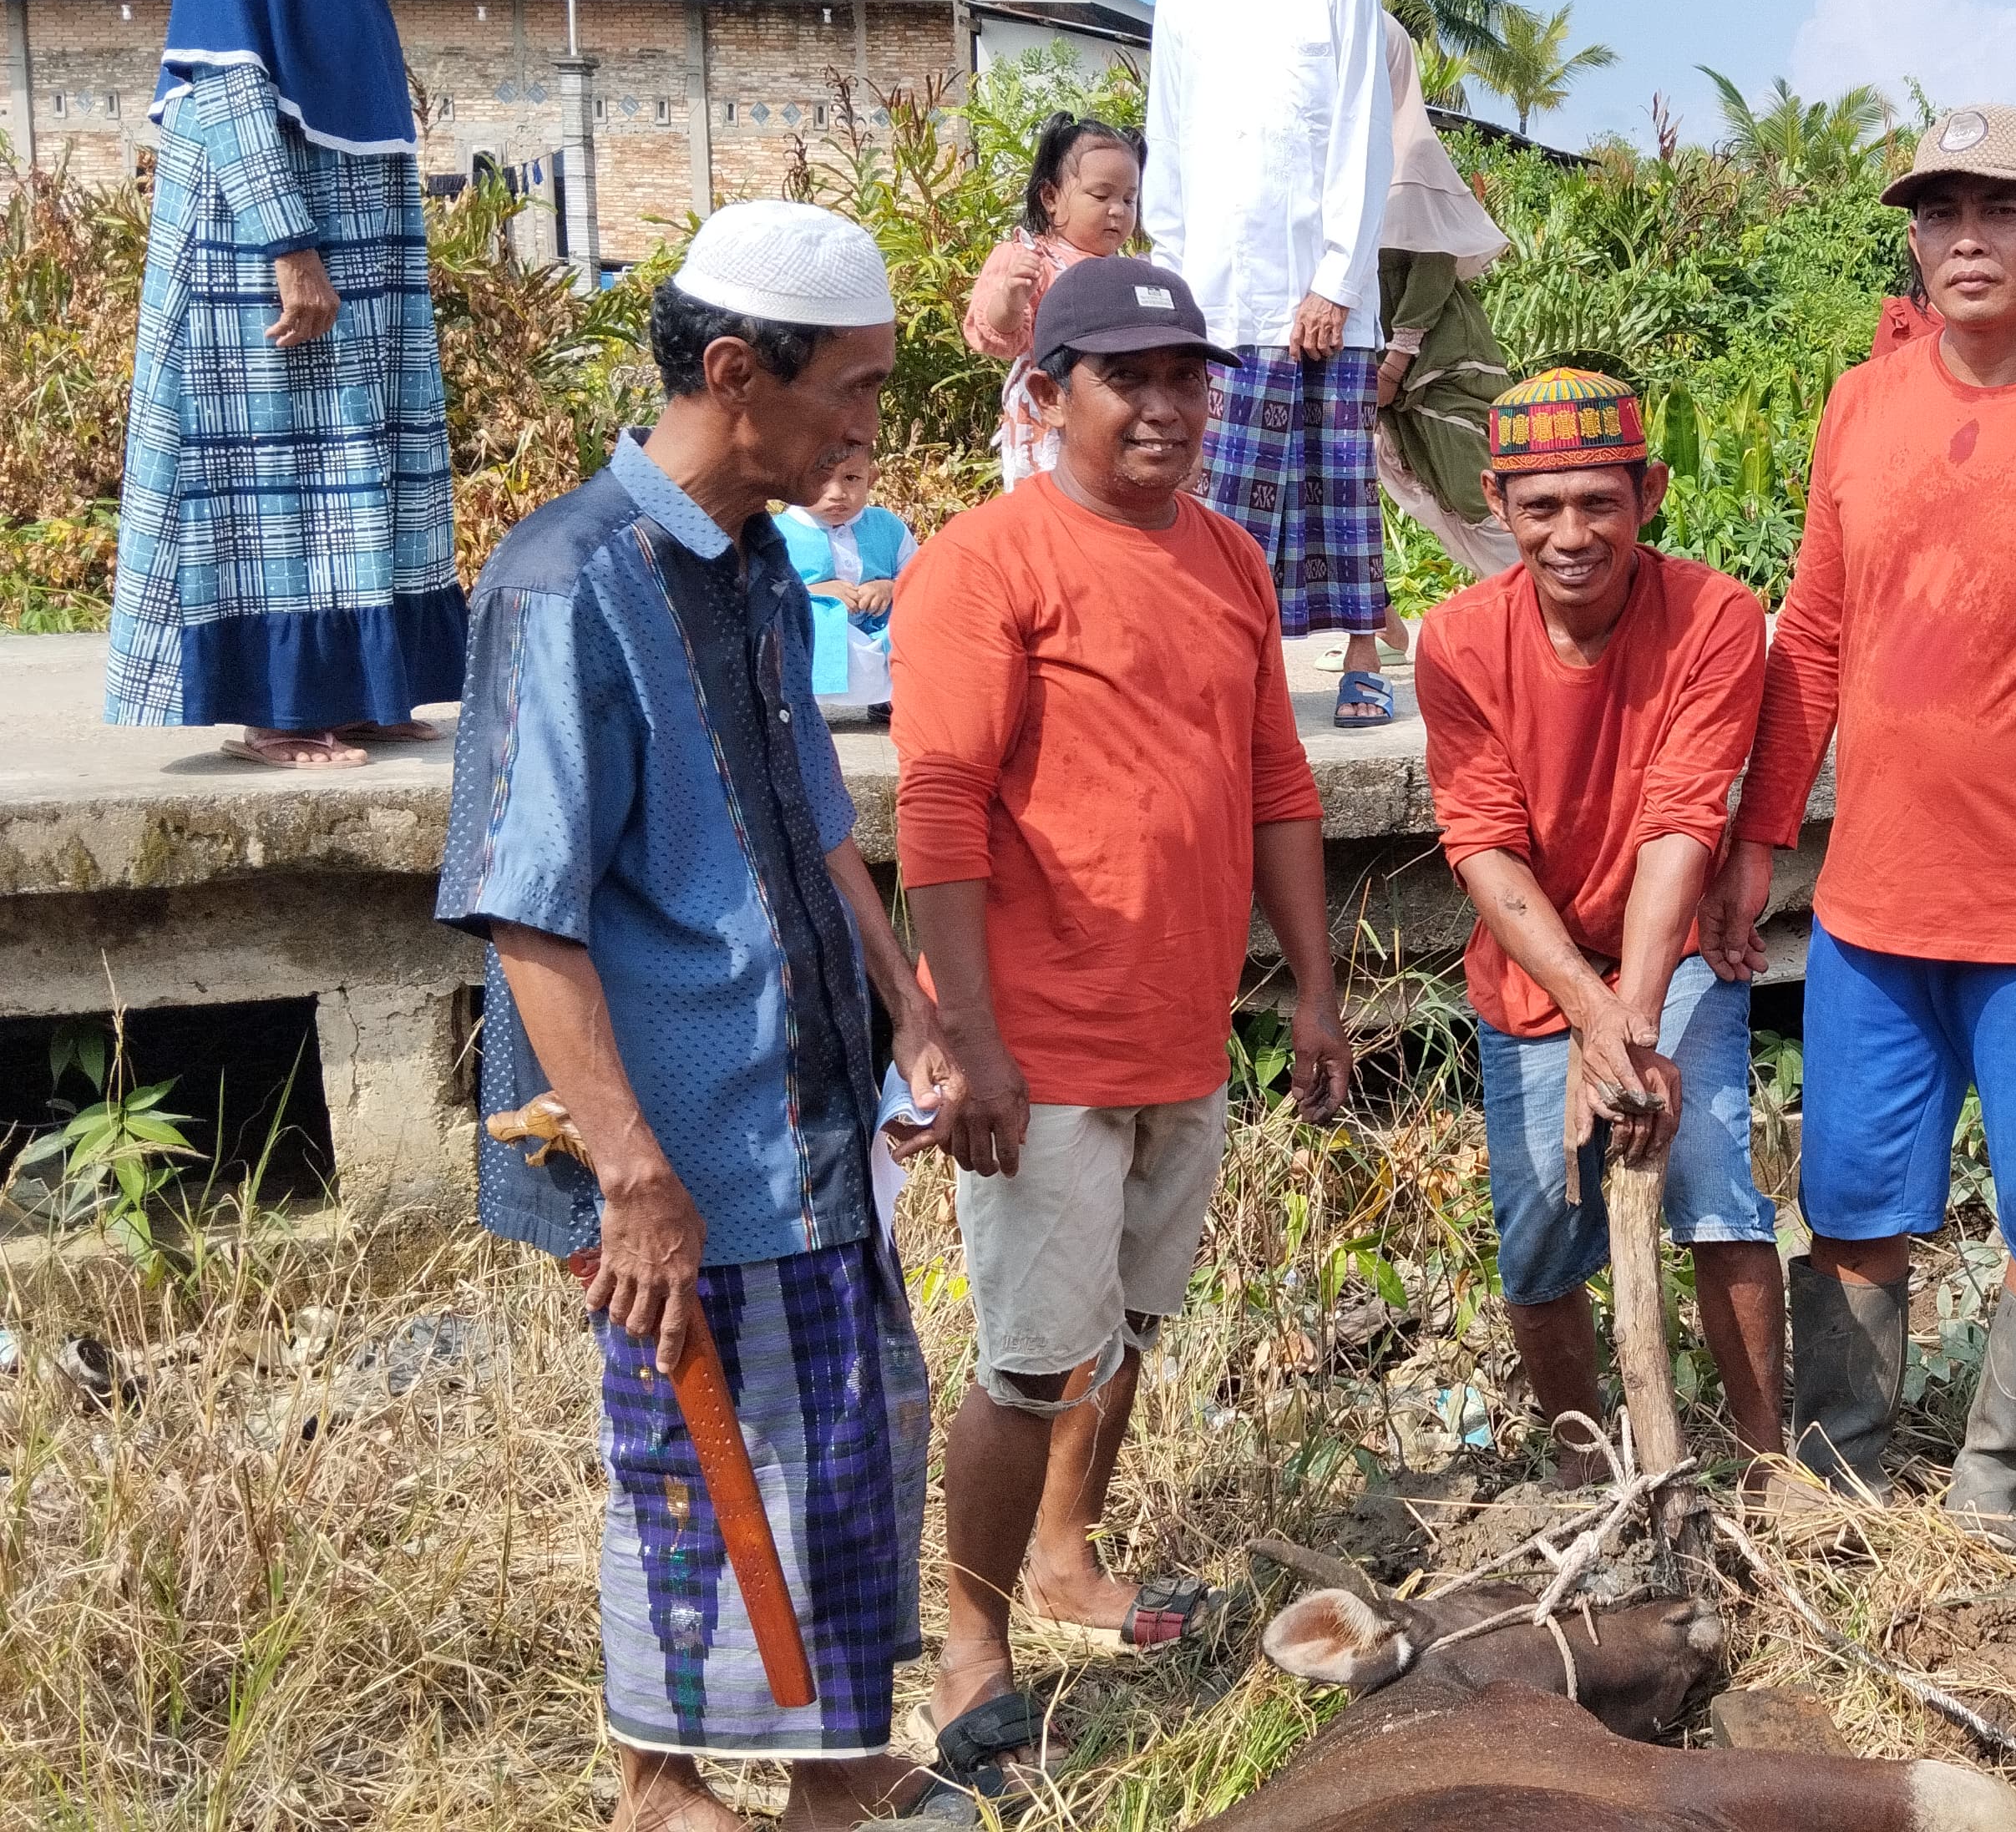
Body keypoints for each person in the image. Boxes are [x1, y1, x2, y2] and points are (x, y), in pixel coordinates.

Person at [434, 201, 964, 1830]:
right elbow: (527, 907)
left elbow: (816, 825)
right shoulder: (564, 582)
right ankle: (660, 1789)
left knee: (847, 1434)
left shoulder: (751, 572)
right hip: (671, 1129)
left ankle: (829, 1763)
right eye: (855, 391)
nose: (872, 426)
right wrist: (631, 1172)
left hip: (800, 1107)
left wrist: (913, 1013)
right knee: (701, 1452)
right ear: (738, 371)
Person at [1701, 104, 2016, 1545]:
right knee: (1856, 1201)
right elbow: (1812, 640)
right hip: (1873, 904)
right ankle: (1843, 1481)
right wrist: (1760, 846)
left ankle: (1992, 1496)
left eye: (1998, 210)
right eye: (1937, 214)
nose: (1965, 239)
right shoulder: (1866, 404)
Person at [891, 254, 1357, 1811]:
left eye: (1185, 379)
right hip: (1044, 1045)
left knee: (1133, 1328)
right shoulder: (985, 562)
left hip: (1185, 1033)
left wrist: (1312, 986)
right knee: (1030, 1361)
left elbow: (1279, 783)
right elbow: (941, 807)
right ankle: (970, 1640)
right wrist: (966, 1038)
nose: (1164, 406)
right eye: (1125, 378)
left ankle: (1072, 1560)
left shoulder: (1230, 558)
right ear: (1049, 393)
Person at [1415, 367, 1785, 1491]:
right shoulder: (1456, 643)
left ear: (1650, 494)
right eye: (1540, 507)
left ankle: (1771, 1472)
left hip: (1665, 954)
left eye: (1598, 502)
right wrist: (1588, 1016)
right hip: (1536, 971)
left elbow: (1683, 817)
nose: (1571, 533)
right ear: (1497, 504)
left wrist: (1627, 1025)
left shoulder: (1715, 618)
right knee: (1538, 1232)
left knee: (1713, 1170)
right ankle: (1590, 1469)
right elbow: (1482, 846)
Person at [106, 0, 460, 769]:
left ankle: (362, 690)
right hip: (255, 219)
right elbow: (224, 80)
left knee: (364, 449)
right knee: (267, 463)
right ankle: (275, 705)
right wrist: (287, 246)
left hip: (352, 207)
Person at [1144, 0, 1404, 728]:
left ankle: (1364, 654)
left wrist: (1336, 280)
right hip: (1215, 295)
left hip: (1320, 292)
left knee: (1339, 479)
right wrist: (1173, 293)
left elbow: (1363, 133)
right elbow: (1170, 147)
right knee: (1216, 498)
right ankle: (1231, 665)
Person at [1371, 13, 1521, 584]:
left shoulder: (1412, 155)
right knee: (1427, 480)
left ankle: (1550, 600)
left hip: (1435, 357)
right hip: (1379, 362)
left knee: (1472, 482)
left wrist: (1397, 357)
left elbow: (1433, 261)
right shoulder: (1339, 162)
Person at [962, 112, 1142, 491]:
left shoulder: (1129, 271)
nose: (1118, 210)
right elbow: (994, 335)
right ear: (1051, 198)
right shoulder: (1029, 259)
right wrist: (1012, 297)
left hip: (1110, 409)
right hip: (1050, 412)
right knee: (1051, 501)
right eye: (1101, 195)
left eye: (1129, 198)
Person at [771, 443, 914, 716]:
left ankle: (891, 698)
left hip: (877, 620)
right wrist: (810, 591)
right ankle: (804, 703)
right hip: (817, 627)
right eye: (821, 478)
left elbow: (920, 575)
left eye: (851, 478)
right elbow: (764, 589)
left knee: (912, 613)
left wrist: (890, 586)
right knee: (804, 617)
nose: (837, 494)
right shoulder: (779, 533)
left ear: (871, 478)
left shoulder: (887, 526)